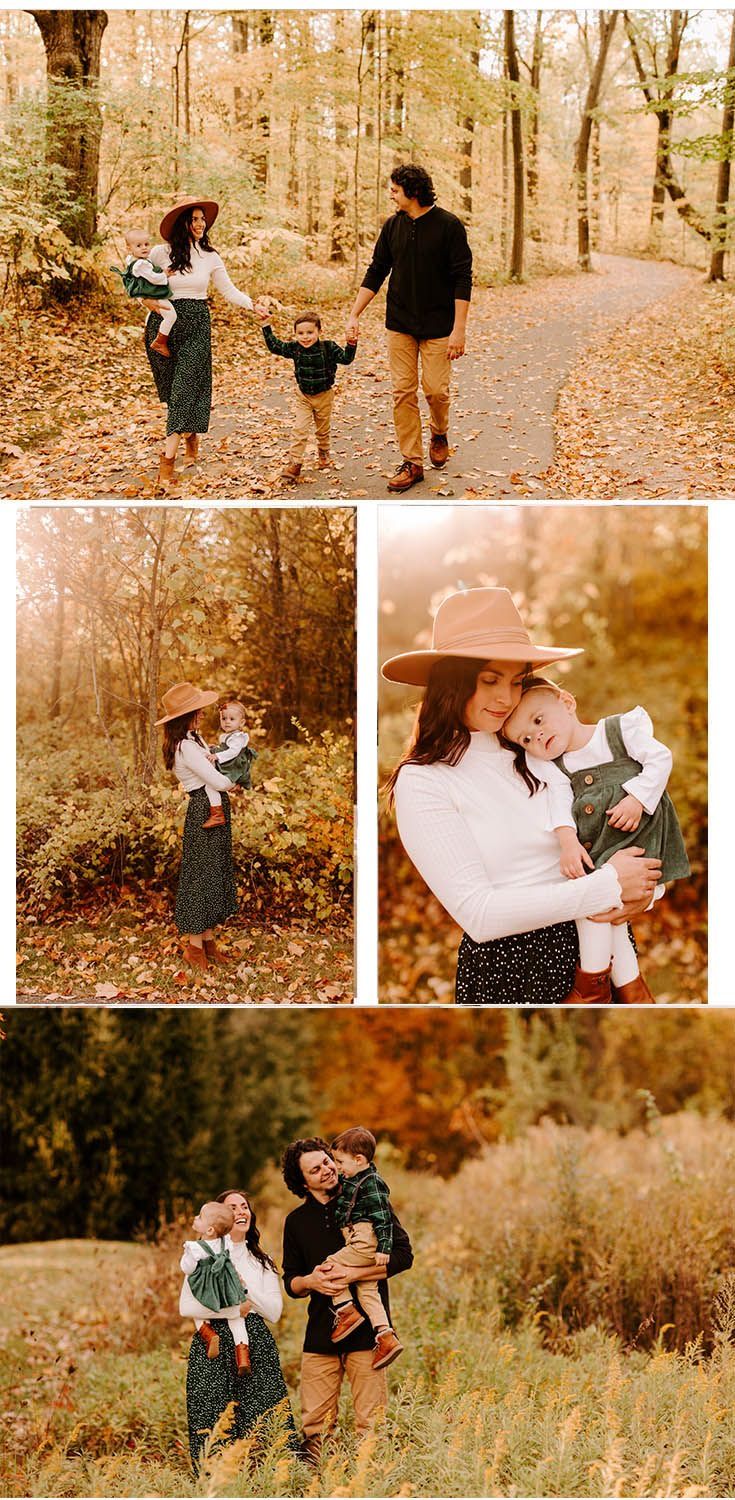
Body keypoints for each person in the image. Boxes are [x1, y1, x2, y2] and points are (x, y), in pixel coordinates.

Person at [382, 587, 663, 1005]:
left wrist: (643, 893)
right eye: (489, 680)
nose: (505, 698)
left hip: (600, 947)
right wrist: (605, 888)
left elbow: (613, 832)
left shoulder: (534, 748)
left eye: (515, 681)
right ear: (451, 683)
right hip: (515, 970)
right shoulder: (425, 780)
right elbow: (479, 914)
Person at [503, 676, 689, 1003]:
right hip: (603, 850)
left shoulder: (618, 732)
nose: (537, 735)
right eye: (526, 738)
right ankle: (634, 991)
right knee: (609, 916)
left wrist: (636, 798)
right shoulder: (555, 768)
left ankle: (589, 989)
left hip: (640, 839)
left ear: (567, 703)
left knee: (589, 905)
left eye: (539, 720)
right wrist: (568, 842)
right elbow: (558, 804)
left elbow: (660, 759)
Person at [281, 1136, 413, 1464]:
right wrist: (311, 1281)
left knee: (371, 1424)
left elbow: (403, 1256)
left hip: (369, 1336)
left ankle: (367, 1486)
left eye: (327, 1161)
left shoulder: (365, 1199)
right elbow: (291, 1283)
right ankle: (317, 1485)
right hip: (321, 1336)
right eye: (315, 1169)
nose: (326, 1170)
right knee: (315, 1427)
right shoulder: (296, 1222)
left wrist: (355, 1276)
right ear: (302, 1181)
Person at [346, 163, 472, 493]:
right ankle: (413, 462)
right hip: (399, 323)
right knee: (402, 392)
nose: (390, 193)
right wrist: (354, 314)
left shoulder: (449, 226)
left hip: (439, 325)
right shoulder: (392, 227)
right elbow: (376, 271)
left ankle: (440, 430)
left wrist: (459, 330)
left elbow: (462, 279)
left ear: (412, 192)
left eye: (394, 189)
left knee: (435, 391)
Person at [181, 1188, 299, 1475]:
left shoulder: (263, 1261)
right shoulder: (203, 1256)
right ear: (219, 1218)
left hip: (254, 1341)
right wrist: (235, 1308)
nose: (241, 1211)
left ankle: (275, 1480)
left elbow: (273, 1311)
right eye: (232, 1207)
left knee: (264, 1415)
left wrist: (242, 1288)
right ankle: (217, 1483)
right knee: (212, 1417)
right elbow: (187, 1306)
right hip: (214, 1342)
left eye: (244, 1206)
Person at [144, 195, 256, 493]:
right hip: (161, 329)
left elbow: (229, 290)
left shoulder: (210, 256)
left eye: (202, 219)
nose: (200, 224)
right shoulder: (159, 253)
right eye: (194, 219)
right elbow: (136, 283)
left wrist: (253, 305)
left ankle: (166, 465)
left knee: (183, 391)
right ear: (183, 223)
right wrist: (146, 301)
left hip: (196, 326)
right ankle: (190, 435)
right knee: (173, 394)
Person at [156, 681, 238, 972]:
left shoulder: (195, 739)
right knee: (199, 876)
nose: (203, 714)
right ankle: (193, 947)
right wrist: (232, 783)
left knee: (213, 874)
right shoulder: (186, 746)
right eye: (197, 711)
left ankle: (208, 942)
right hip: (205, 807)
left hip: (212, 806)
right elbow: (215, 780)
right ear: (184, 716)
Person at [327, 1127, 403, 1369]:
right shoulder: (354, 1178)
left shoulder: (372, 1183)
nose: (337, 1167)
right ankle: (386, 1335)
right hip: (359, 1239)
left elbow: (383, 1217)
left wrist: (384, 1247)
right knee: (368, 1292)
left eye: (340, 1162)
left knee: (330, 1266)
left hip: (364, 1240)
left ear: (359, 1160)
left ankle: (346, 1310)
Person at [256, 306, 357, 482]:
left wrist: (351, 344)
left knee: (322, 430)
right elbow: (275, 346)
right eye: (300, 333)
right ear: (295, 334)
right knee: (299, 429)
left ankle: (323, 453)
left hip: (324, 395)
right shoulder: (295, 348)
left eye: (310, 332)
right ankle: (295, 463)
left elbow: (346, 359)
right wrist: (266, 325)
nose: (305, 337)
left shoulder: (329, 347)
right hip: (303, 396)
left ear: (319, 331)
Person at [180, 1200, 251, 1374]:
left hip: (205, 1289)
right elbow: (231, 1261)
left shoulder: (194, 1248)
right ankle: (242, 1355)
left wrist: (186, 1257)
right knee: (237, 1320)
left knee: (198, 1313)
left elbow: (187, 1268)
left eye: (200, 1217)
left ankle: (209, 1334)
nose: (195, 1218)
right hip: (225, 1286)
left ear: (210, 1230)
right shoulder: (225, 1242)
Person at [114, 226, 177, 356]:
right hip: (152, 292)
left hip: (149, 293)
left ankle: (147, 330)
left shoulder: (135, 260)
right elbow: (154, 278)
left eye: (146, 244)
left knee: (153, 313)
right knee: (171, 315)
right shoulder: (140, 264)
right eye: (138, 245)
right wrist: (165, 275)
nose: (144, 248)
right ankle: (160, 341)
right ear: (129, 249)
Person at [202, 700, 257, 830]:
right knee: (210, 779)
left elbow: (233, 752)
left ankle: (217, 814)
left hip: (234, 766)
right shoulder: (228, 735)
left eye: (232, 719)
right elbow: (226, 747)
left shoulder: (238, 737)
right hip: (229, 764)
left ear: (241, 723)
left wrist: (217, 755)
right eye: (224, 718)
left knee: (210, 784)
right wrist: (216, 748)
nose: (227, 721)